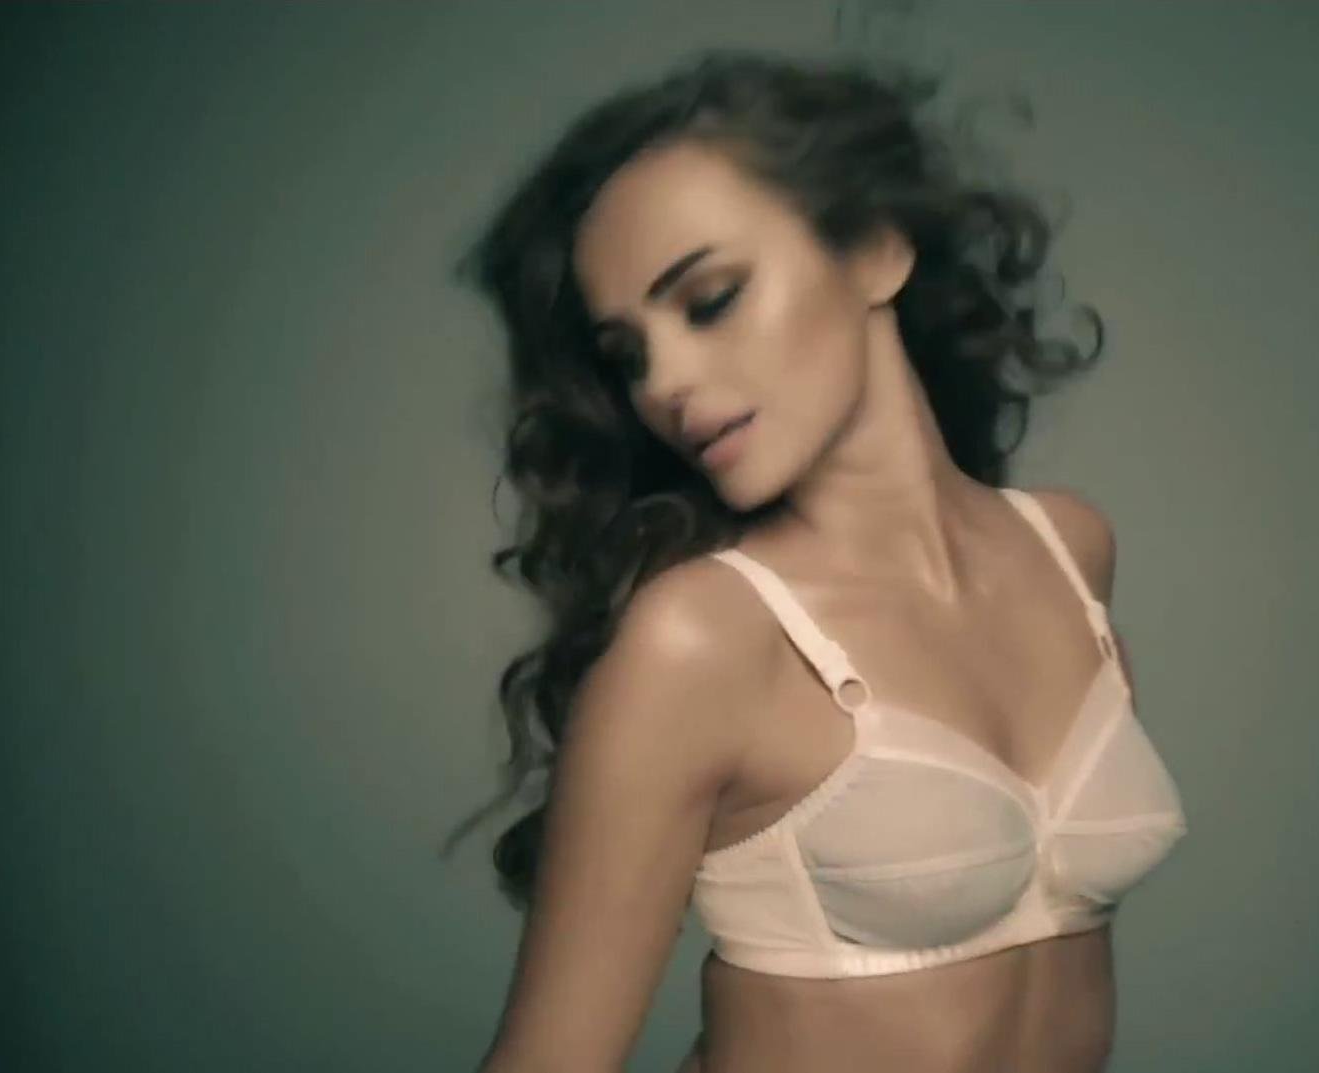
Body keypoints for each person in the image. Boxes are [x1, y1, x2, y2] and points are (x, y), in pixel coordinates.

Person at [450, 47, 1189, 1073]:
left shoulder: (1070, 549)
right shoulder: (702, 635)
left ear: (875, 249)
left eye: (709, 299)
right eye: (628, 355)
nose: (666, 382)